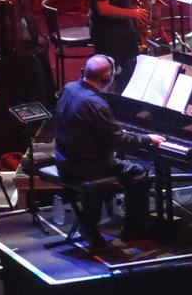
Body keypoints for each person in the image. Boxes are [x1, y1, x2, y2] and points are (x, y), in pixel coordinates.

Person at [52, 54, 163, 248]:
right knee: (138, 172)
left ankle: (91, 220)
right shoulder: (96, 103)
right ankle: (133, 230)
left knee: (117, 161)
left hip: (64, 159)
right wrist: (147, 139)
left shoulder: (69, 89)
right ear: (107, 78)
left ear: (82, 72)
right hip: (86, 166)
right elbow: (119, 140)